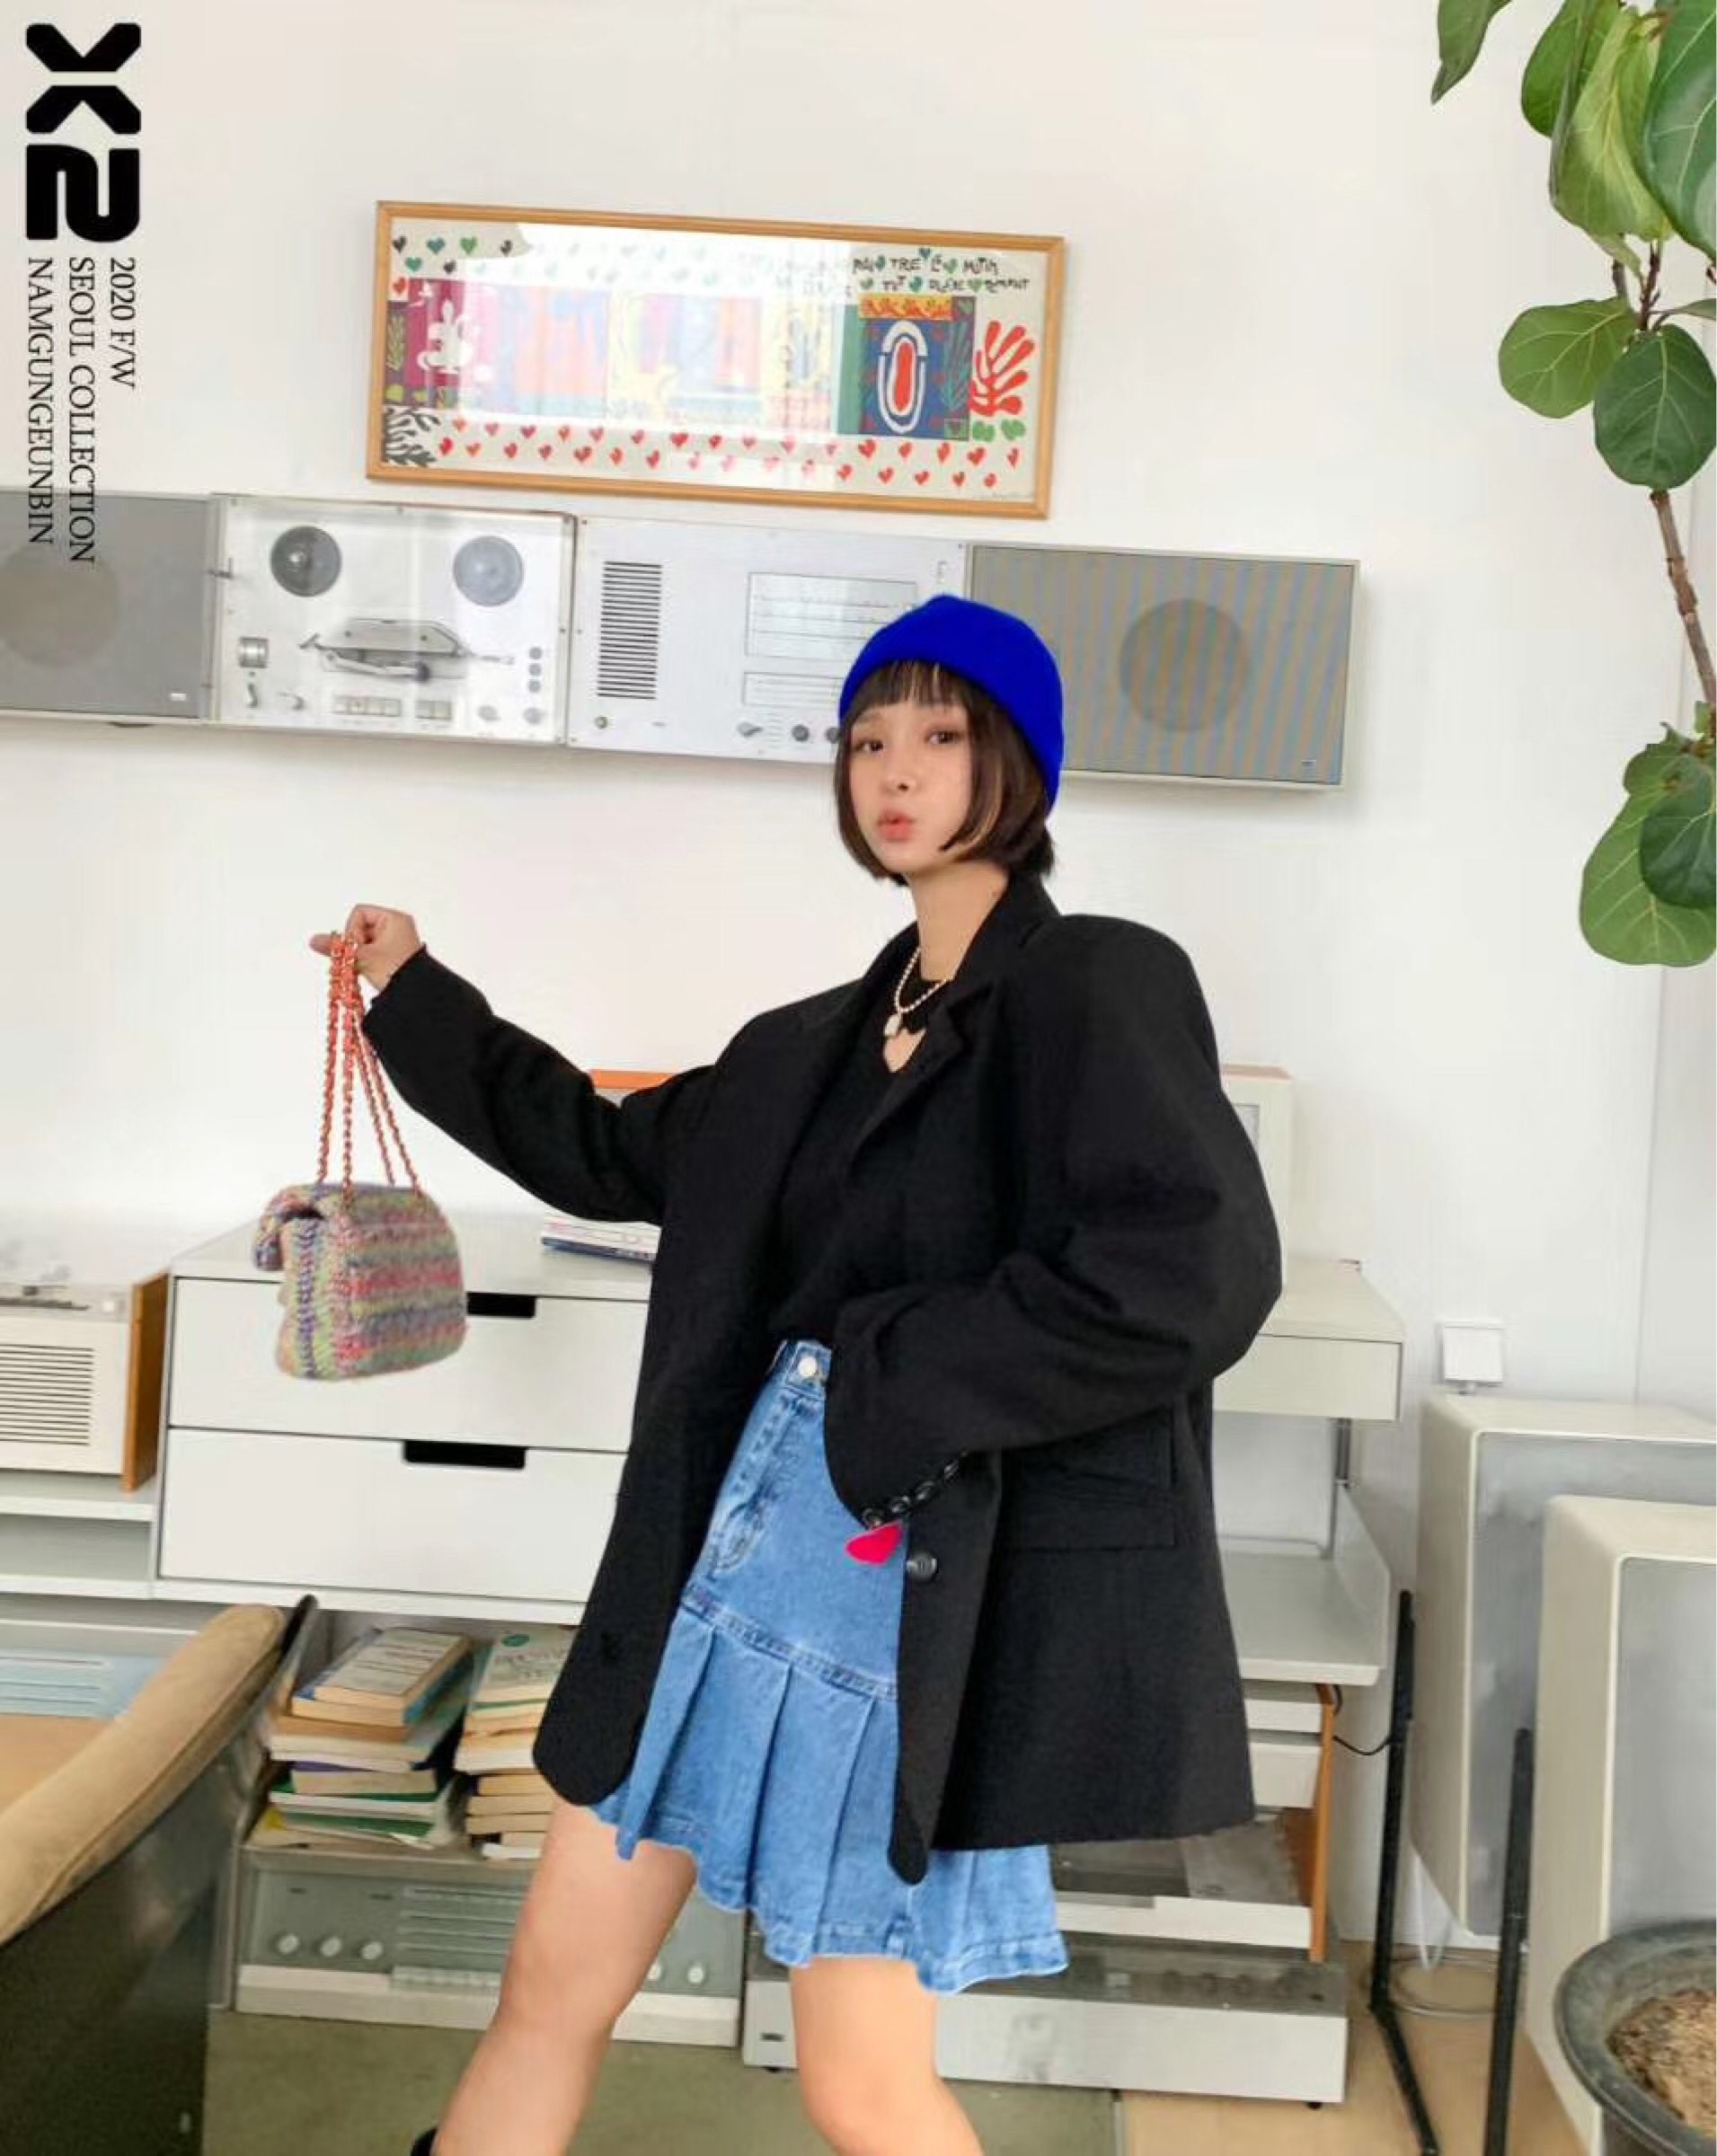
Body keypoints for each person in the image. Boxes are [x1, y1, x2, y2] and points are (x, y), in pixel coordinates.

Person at [310, 593, 1283, 2156]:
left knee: (861, 2084)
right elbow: (598, 1150)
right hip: (710, 1565)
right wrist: (414, 989)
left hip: (898, 1598)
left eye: (940, 735)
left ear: (1016, 762)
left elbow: (1191, 1273)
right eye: (866, 741)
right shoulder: (802, 1047)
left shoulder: (1097, 982)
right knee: (550, 1989)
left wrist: (884, 1383)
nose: (895, 772)